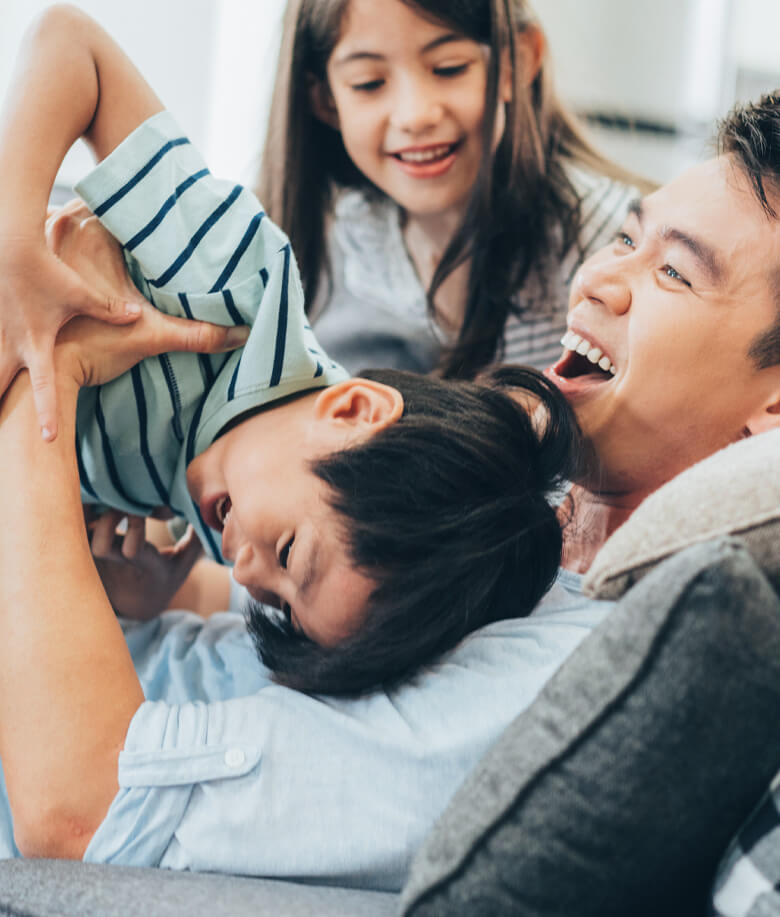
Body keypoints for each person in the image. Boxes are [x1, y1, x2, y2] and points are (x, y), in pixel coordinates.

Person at [3, 7, 780, 894]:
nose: (598, 279)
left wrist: (40, 368)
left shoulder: (584, 662)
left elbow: (84, 807)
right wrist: (163, 589)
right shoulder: (528, 510)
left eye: (673, 272)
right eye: (627, 240)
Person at [0, 6, 581, 696]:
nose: (247, 572)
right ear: (355, 408)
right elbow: (69, 44)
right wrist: (14, 248)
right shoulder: (234, 284)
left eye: (274, 600)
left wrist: (138, 588)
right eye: (284, 555)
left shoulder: (231, 503)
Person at [258, 0, 649, 377]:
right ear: (325, 101)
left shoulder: (607, 244)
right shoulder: (342, 234)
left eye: (449, 68)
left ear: (518, 62)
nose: (415, 116)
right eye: (369, 83)